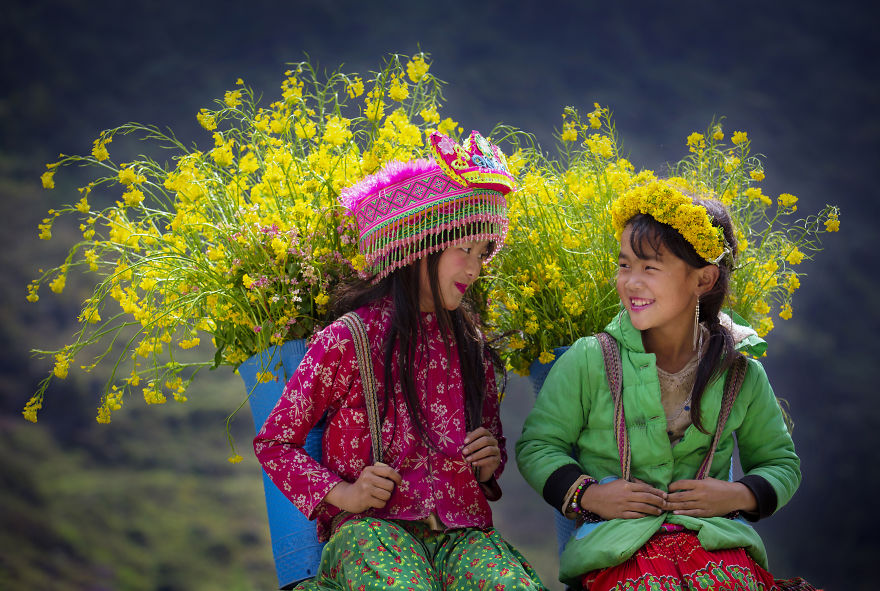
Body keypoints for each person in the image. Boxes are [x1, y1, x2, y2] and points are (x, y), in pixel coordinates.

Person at [254, 130, 547, 591]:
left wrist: (490, 462)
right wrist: (345, 494)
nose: (474, 268)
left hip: (462, 537)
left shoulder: (471, 344)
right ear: (419, 247)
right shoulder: (347, 341)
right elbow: (275, 443)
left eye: (481, 252)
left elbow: (490, 446)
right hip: (374, 533)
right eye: (462, 250)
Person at [516, 179, 817, 590]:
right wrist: (590, 496)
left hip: (716, 550)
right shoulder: (590, 359)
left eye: (650, 268)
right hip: (617, 553)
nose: (631, 282)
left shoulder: (739, 371)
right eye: (625, 265)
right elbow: (538, 445)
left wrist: (736, 495)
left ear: (703, 280)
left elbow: (781, 463)